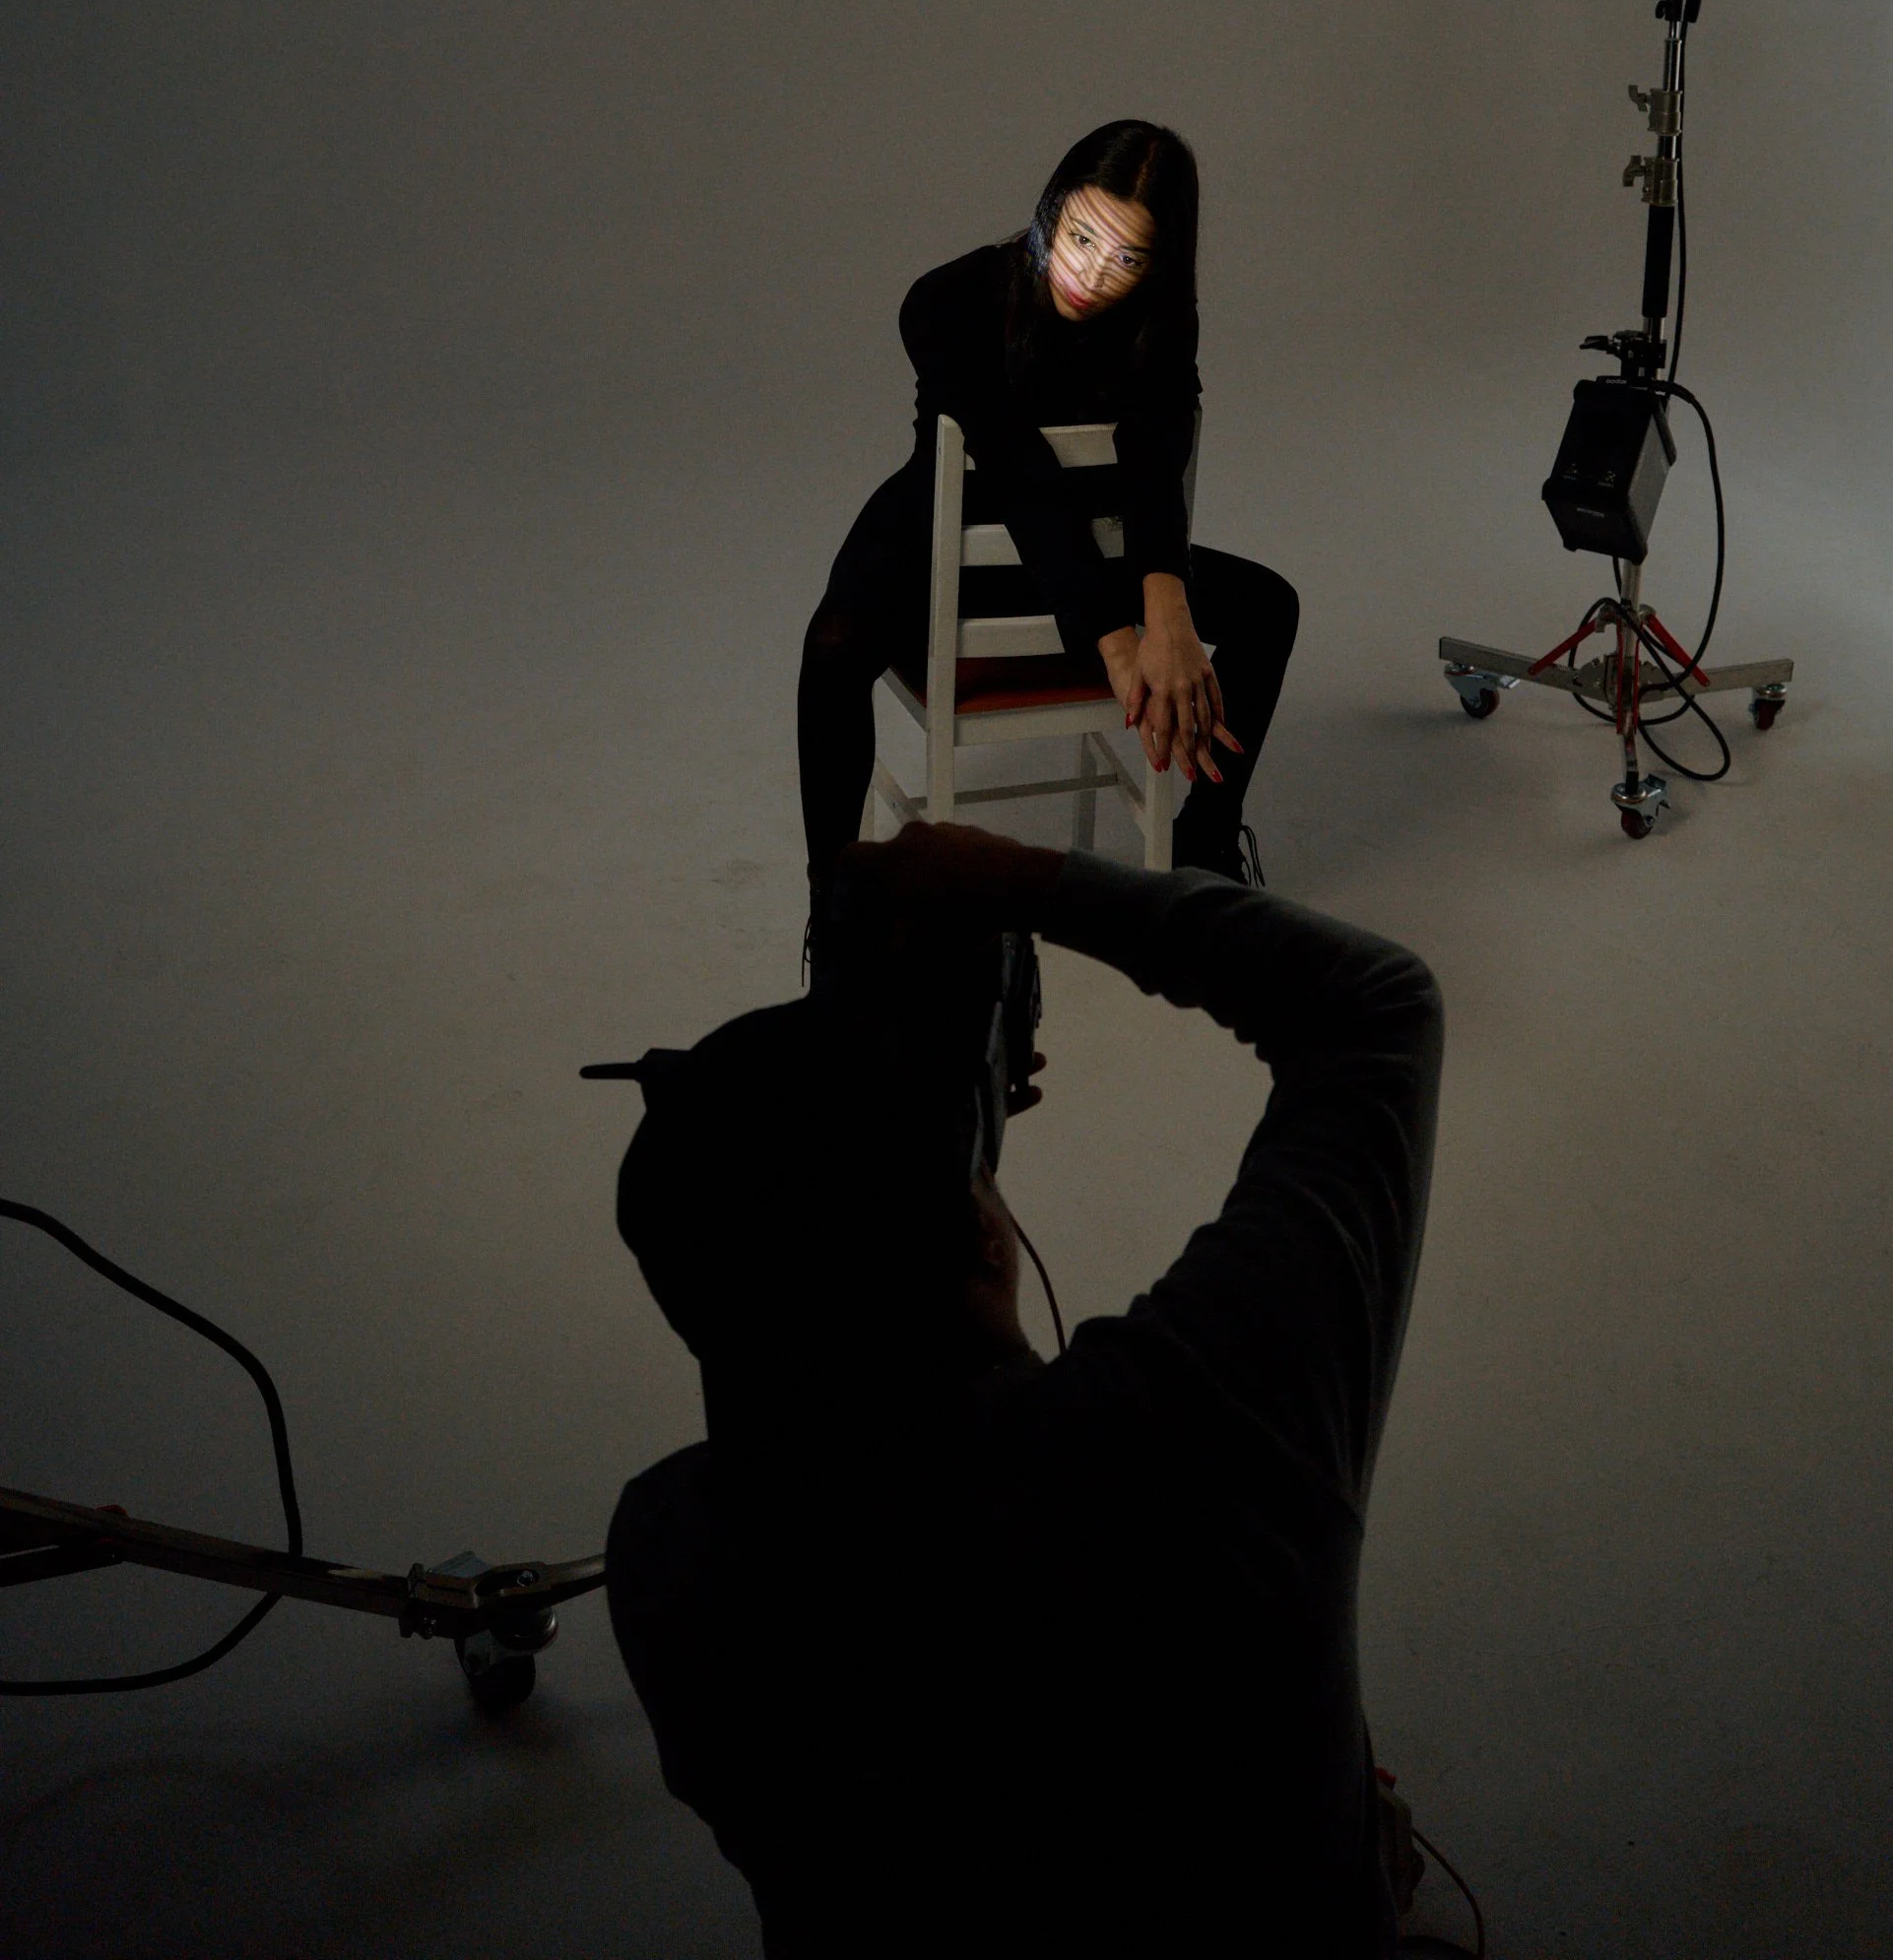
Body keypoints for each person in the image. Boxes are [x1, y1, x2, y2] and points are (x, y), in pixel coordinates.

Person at [605, 818, 1443, 1959]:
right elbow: (1375, 1008)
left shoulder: (665, 1554)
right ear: (985, 1244)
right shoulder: (1208, 1432)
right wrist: (1024, 881)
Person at [798, 121, 1299, 944]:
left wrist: (1167, 617)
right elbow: (1019, 472)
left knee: (1270, 607)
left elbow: (1152, 466)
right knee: (834, 641)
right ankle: (836, 905)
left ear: (1160, 265)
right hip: (943, 536)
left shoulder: (1166, 321)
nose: (1091, 274)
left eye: (1128, 259)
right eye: (1079, 236)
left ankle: (1202, 846)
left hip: (1092, 549)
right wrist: (1119, 638)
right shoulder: (946, 299)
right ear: (1051, 207)